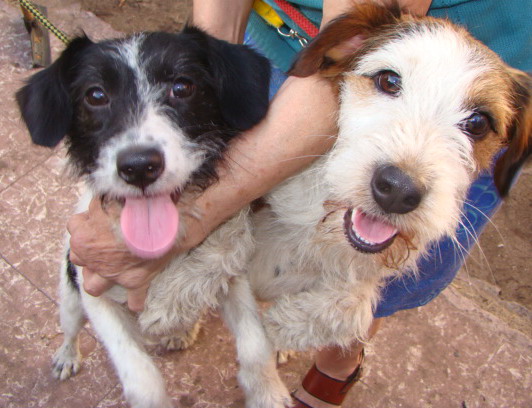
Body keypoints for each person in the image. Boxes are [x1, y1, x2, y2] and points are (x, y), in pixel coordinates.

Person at [67, 1, 531, 407]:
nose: (402, 183)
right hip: (288, 43)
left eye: (475, 124)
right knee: (259, 228)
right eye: (388, 81)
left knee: (380, 282)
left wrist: (198, 212)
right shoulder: (344, 52)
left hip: (496, 32)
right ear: (347, 50)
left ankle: (338, 361)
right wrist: (215, 69)